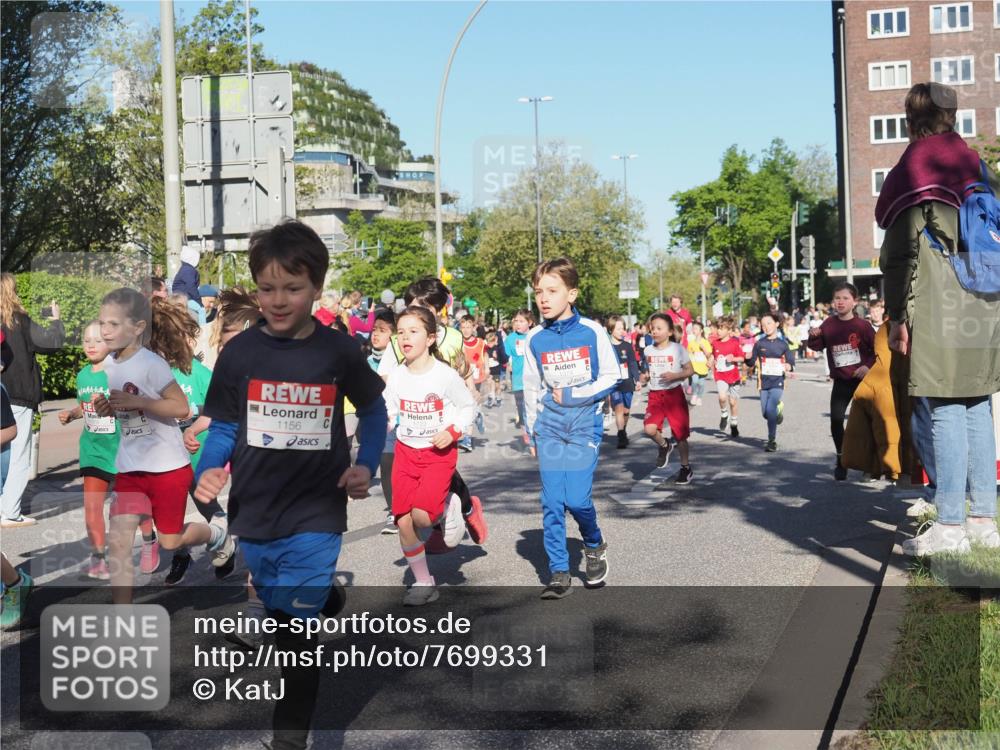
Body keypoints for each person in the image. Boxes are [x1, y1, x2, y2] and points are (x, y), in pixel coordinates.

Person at [194, 220, 387, 750]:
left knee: (293, 641)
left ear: (317, 289)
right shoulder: (239, 354)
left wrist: (366, 464)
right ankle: (325, 596)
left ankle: (288, 741)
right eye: (267, 288)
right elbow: (225, 426)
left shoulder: (338, 352)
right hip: (254, 512)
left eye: (293, 288)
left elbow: (373, 409)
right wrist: (208, 470)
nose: (278, 300)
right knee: (282, 605)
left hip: (316, 512)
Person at [879, 82, 1000, 554]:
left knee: (947, 408)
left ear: (911, 119)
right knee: (978, 405)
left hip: (941, 296)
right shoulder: (973, 161)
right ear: (952, 116)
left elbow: (900, 252)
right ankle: (984, 520)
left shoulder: (915, 165)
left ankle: (950, 526)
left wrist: (895, 316)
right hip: (986, 296)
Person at [93, 291, 236, 604]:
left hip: (167, 468)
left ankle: (218, 536)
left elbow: (182, 408)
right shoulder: (110, 363)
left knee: (170, 541)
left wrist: (140, 401)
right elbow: (126, 407)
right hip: (130, 466)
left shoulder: (153, 364)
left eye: (113, 324)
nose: (104, 330)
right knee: (119, 539)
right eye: (102, 322)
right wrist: (109, 407)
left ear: (136, 328)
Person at [523, 257, 619, 599]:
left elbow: (611, 376)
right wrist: (530, 427)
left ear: (572, 293)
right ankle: (559, 570)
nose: (543, 299)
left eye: (552, 291)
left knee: (576, 499)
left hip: (584, 425)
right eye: (538, 292)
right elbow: (531, 386)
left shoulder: (592, 331)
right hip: (549, 426)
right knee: (551, 500)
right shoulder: (534, 338)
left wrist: (575, 394)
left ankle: (593, 544)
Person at [384, 306, 476, 604]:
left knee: (423, 519)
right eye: (400, 332)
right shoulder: (397, 376)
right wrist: (380, 420)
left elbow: (468, 407)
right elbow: (388, 409)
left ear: (431, 338)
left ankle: (451, 502)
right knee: (403, 521)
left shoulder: (445, 376)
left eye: (413, 331)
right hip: (406, 453)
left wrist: (454, 430)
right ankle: (424, 582)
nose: (405, 337)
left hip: (438, 453)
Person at [0, 273, 65, 527]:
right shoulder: (19, 321)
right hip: (19, 396)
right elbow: (51, 344)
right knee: (19, 455)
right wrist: (55, 320)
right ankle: (10, 512)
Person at [57, 321, 119, 579]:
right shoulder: (82, 375)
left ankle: (147, 540)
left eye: (98, 340)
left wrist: (108, 404)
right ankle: (99, 559)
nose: (91, 345)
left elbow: (133, 406)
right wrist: (72, 413)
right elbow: (84, 406)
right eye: (86, 341)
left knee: (125, 507)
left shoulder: (118, 372)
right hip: (92, 448)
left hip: (121, 449)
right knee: (92, 506)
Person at [807, 282, 876, 480]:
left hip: (862, 381)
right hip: (841, 382)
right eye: (837, 298)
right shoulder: (829, 324)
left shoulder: (862, 326)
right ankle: (841, 459)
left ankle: (869, 464)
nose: (840, 302)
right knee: (836, 421)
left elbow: (877, 351)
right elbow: (817, 345)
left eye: (845, 298)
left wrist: (867, 367)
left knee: (867, 422)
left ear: (854, 302)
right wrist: (813, 336)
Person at [641, 315, 695, 481]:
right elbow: (647, 372)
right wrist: (645, 378)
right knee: (649, 429)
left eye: (659, 328)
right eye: (652, 328)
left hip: (674, 394)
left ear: (670, 331)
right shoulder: (648, 350)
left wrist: (675, 376)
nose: (654, 331)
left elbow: (690, 370)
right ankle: (665, 445)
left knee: (680, 436)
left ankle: (685, 468)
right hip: (655, 395)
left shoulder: (678, 349)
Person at [746, 313, 794, 452]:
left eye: (769, 323)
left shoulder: (783, 344)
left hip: (778, 382)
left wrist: (789, 366)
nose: (765, 327)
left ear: (776, 324)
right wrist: (747, 358)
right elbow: (750, 363)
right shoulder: (759, 344)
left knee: (770, 409)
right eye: (763, 324)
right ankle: (778, 410)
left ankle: (771, 440)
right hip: (763, 383)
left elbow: (790, 360)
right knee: (765, 413)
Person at [606, 315, 642, 449]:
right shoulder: (607, 347)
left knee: (626, 410)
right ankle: (621, 435)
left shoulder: (627, 346)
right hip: (614, 383)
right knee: (619, 408)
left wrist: (637, 379)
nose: (622, 331)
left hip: (627, 382)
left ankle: (623, 429)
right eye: (618, 329)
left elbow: (632, 363)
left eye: (623, 328)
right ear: (611, 330)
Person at [709, 316, 744, 438]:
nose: (718, 331)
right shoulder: (715, 343)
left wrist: (733, 358)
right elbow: (714, 355)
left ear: (729, 331)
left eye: (721, 328)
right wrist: (710, 361)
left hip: (733, 376)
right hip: (720, 375)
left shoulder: (734, 343)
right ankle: (724, 414)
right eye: (718, 328)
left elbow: (741, 358)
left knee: (733, 402)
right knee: (722, 397)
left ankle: (734, 423)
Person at [505, 309, 533, 448]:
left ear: (530, 323)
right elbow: (504, 356)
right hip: (518, 381)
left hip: (535, 381)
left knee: (534, 409)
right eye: (516, 321)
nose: (518, 324)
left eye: (521, 321)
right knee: (522, 411)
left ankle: (535, 433)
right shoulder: (511, 338)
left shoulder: (535, 336)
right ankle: (526, 434)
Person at [686, 320, 713, 406]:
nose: (694, 330)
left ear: (701, 331)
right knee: (694, 381)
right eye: (693, 329)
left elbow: (709, 355)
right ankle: (694, 395)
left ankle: (699, 397)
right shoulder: (691, 343)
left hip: (703, 367)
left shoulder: (705, 342)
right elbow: (688, 355)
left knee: (701, 384)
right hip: (694, 367)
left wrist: (704, 348)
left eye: (696, 329)